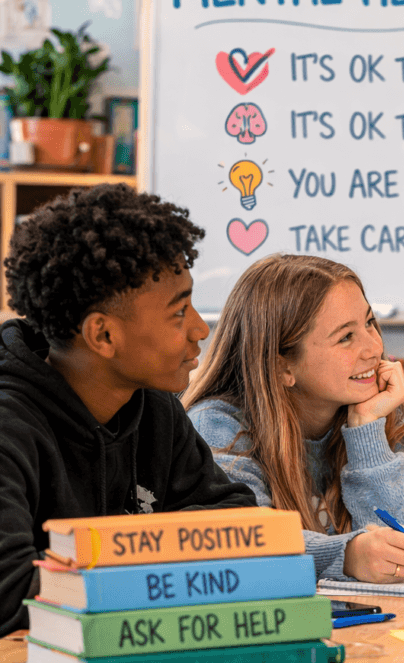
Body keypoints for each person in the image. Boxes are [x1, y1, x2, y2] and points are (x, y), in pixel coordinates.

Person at [0, 184, 257, 635]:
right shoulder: (9, 426)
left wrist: (107, 558)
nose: (200, 329)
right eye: (179, 313)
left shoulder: (154, 408)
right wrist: (158, 555)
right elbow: (12, 595)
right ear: (103, 336)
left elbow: (238, 520)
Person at [184, 255, 404, 583]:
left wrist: (368, 433)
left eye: (369, 323)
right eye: (345, 337)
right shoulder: (218, 426)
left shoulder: (387, 410)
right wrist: (348, 555)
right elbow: (244, 538)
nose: (373, 348)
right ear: (282, 366)